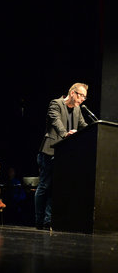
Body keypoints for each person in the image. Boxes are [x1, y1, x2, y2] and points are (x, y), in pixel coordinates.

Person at [35, 83, 88, 230]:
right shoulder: (56, 103)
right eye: (81, 95)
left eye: (85, 96)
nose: (83, 99)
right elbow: (56, 122)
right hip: (49, 151)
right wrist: (65, 134)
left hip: (65, 154)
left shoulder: (78, 109)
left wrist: (95, 130)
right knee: (45, 186)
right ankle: (39, 221)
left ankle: (48, 221)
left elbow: (83, 125)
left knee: (56, 188)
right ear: (72, 93)